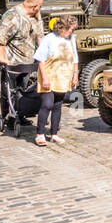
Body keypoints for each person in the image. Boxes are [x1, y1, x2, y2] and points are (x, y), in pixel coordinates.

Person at [0, 0, 44, 133]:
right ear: (35, 6)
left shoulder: (36, 17)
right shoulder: (12, 16)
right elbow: (0, 40)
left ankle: (20, 115)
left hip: (26, 62)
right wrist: (2, 59)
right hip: (11, 62)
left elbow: (40, 37)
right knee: (8, 90)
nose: (41, 9)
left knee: (23, 90)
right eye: (40, 6)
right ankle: (8, 116)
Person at [34, 17, 80, 147]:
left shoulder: (71, 39)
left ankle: (54, 134)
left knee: (57, 105)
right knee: (47, 104)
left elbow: (75, 57)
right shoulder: (49, 38)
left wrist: (75, 74)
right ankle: (40, 134)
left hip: (63, 76)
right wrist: (45, 78)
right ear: (63, 28)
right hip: (49, 75)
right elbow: (40, 59)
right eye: (71, 29)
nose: (72, 32)